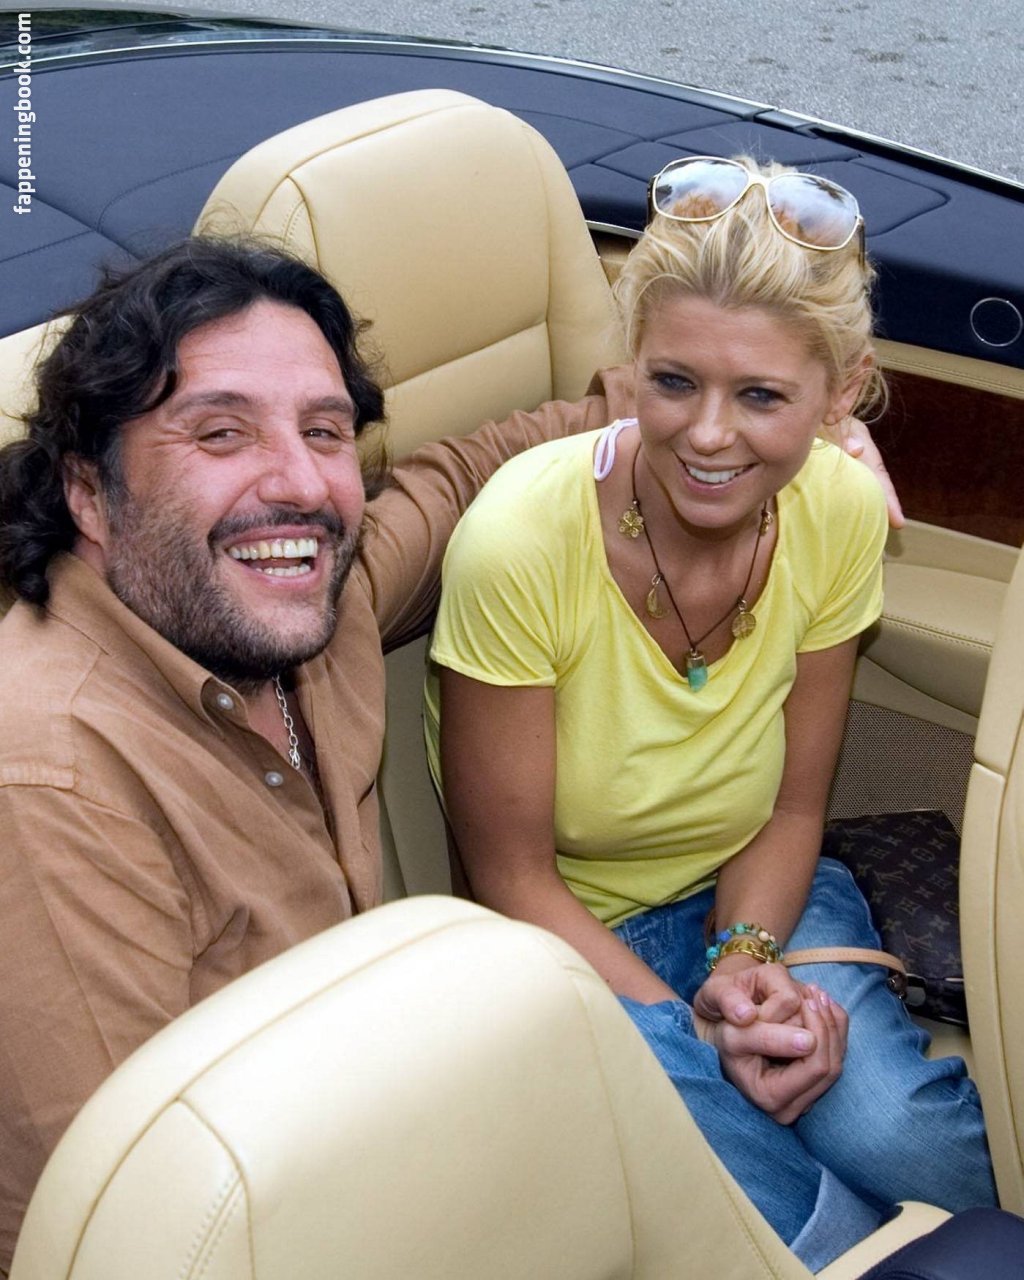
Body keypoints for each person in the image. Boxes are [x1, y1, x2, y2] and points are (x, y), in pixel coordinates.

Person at [0, 233, 900, 1274]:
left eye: (325, 430)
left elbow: (469, 466)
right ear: (88, 490)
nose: (299, 484)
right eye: (220, 433)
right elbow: (123, 1229)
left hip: (385, 1108)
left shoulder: (314, 593)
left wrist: (765, 434)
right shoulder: (52, 782)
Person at [425, 156, 996, 1270]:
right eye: (674, 381)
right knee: (790, 1220)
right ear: (627, 367)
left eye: (763, 396)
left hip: (758, 895)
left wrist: (743, 961)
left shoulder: (835, 510)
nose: (708, 434)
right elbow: (512, 879)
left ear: (841, 394)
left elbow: (793, 807)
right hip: (570, 942)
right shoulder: (520, 541)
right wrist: (699, 1030)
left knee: (913, 1145)